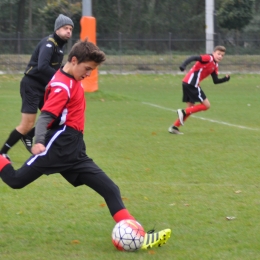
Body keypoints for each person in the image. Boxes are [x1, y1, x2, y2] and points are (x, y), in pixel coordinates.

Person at [0, 39, 171, 250]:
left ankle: (139, 236)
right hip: (58, 146)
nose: (89, 74)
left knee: (110, 189)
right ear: (73, 60)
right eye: (87, 68)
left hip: (75, 149)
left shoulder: (69, 78)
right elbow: (45, 117)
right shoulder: (62, 85)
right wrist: (39, 142)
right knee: (16, 180)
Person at [0, 14, 74, 160]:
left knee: (56, 117)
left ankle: (32, 137)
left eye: (71, 29)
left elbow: (57, 69)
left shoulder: (59, 47)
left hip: (43, 88)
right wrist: (60, 79)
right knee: (27, 124)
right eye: (66, 28)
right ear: (57, 29)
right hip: (31, 86)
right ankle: (2, 153)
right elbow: (42, 67)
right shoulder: (49, 43)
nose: (69, 32)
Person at [168, 45, 230, 134]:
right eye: (218, 54)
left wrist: (225, 79)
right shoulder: (208, 58)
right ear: (214, 53)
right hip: (192, 84)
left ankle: (174, 127)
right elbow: (194, 57)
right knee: (206, 105)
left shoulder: (215, 65)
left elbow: (215, 81)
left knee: (190, 109)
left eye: (222, 55)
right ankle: (182, 112)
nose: (220, 56)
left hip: (187, 83)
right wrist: (183, 65)